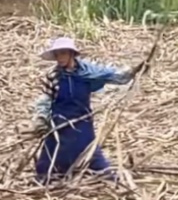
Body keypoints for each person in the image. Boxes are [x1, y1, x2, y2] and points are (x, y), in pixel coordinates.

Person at [32, 36, 144, 183]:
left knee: (91, 153)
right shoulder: (53, 76)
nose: (60, 58)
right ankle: (49, 178)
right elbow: (45, 100)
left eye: (63, 53)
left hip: (82, 121)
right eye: (57, 54)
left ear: (72, 54)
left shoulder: (88, 71)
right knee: (48, 160)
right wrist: (41, 119)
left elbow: (116, 76)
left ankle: (108, 178)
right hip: (59, 122)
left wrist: (134, 71)